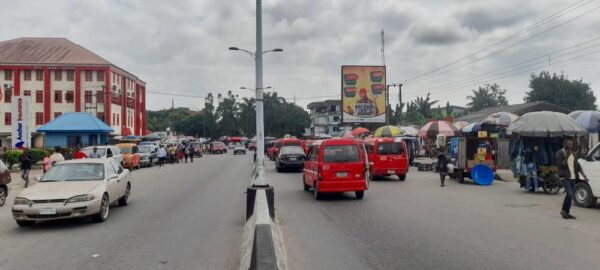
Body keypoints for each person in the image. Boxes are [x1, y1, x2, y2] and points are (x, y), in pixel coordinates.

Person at [555, 138, 588, 219]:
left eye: (571, 144)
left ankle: (566, 212)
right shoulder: (560, 153)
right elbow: (561, 165)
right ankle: (563, 210)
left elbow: (578, 166)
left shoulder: (573, 154)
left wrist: (584, 176)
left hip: (573, 177)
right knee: (569, 194)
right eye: (569, 144)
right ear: (564, 144)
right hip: (564, 177)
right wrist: (567, 156)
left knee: (570, 195)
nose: (570, 146)